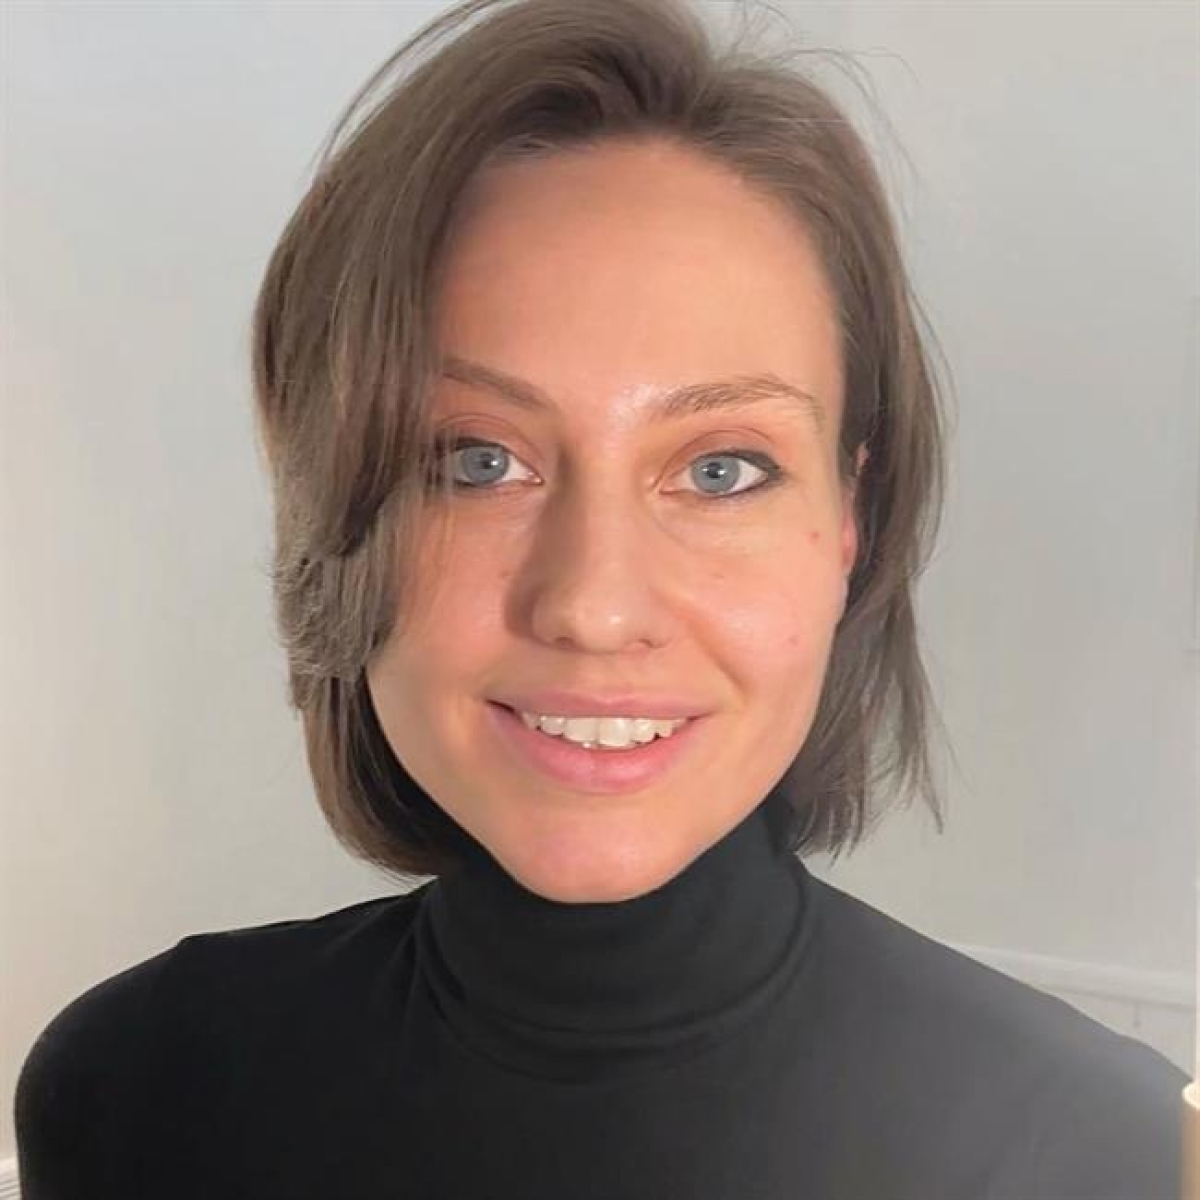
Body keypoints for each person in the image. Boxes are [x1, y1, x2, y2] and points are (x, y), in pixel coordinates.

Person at [14, 0, 1187, 1196]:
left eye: (722, 470)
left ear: (851, 521)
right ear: (340, 511)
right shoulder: (132, 1090)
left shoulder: (1107, 1157)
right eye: (477, 460)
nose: (593, 605)